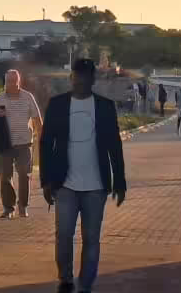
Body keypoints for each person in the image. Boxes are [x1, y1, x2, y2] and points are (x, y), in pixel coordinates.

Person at [41, 59, 127, 293]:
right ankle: (66, 277)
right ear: (71, 79)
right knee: (64, 235)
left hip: (96, 186)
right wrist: (46, 182)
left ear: (92, 80)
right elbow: (46, 143)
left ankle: (86, 284)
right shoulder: (58, 105)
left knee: (91, 238)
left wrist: (120, 181)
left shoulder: (105, 106)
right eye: (76, 78)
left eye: (85, 79)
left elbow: (114, 145)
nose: (79, 83)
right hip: (65, 184)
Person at [0, 69, 43, 219]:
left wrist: (42, 140)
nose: (11, 84)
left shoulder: (28, 97)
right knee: (5, 177)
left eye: (14, 81)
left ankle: (23, 206)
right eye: (8, 81)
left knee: (24, 175)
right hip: (4, 145)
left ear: (19, 81)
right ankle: (8, 208)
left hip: (24, 144)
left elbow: (37, 120)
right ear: (5, 82)